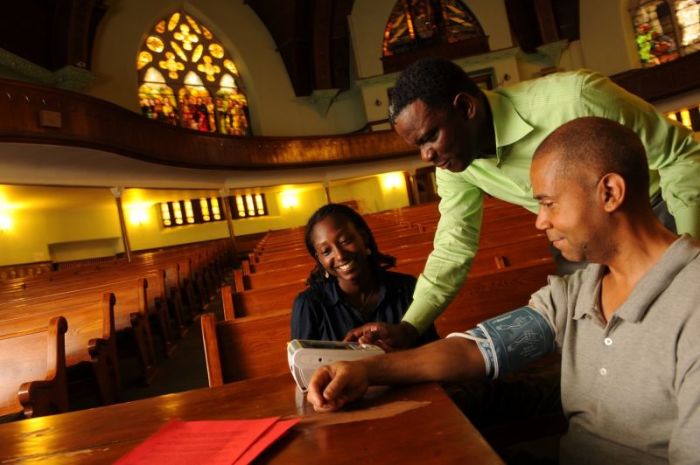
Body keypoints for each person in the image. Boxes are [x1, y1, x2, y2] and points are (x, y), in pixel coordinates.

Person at [307, 117, 700, 465]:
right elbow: (477, 348)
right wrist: (367, 369)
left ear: (610, 192)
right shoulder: (577, 290)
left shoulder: (692, 300)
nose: (540, 222)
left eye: (548, 204)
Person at [347, 57, 700, 349]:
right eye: (418, 146)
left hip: (654, 214)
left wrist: (685, 259)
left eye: (430, 137)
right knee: (594, 347)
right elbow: (454, 247)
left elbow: (682, 156)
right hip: (577, 243)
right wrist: (409, 327)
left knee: (678, 331)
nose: (427, 156)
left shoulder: (575, 98)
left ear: (465, 107)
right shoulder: (457, 166)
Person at [291, 203, 438, 345]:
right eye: (326, 251)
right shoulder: (309, 305)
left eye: (345, 241)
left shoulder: (407, 288)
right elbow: (303, 366)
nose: (340, 256)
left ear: (363, 237)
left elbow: (434, 355)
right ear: (320, 259)